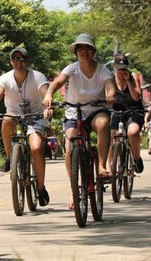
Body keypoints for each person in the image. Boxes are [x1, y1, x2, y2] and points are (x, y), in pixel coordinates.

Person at [43, 33, 116, 208]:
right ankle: (73, 189)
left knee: (104, 124)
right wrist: (48, 94)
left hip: (96, 110)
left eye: (88, 48)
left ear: (93, 51)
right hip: (74, 112)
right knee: (70, 148)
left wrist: (110, 95)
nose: (84, 51)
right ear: (76, 52)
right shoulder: (72, 68)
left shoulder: (102, 70)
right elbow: (57, 82)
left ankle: (102, 166)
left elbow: (110, 86)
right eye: (81, 48)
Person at [0, 46, 53, 206]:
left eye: (21, 58)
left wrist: (48, 105)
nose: (18, 62)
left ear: (27, 61)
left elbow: (45, 92)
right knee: (6, 121)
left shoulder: (37, 76)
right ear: (11, 62)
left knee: (36, 149)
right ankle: (10, 158)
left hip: (35, 115)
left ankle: (41, 188)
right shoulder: (5, 79)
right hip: (14, 114)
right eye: (15, 58)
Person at [110, 54, 145, 174]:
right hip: (117, 111)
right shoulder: (110, 78)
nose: (122, 71)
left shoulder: (133, 76)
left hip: (134, 111)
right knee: (110, 135)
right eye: (119, 69)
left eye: (124, 68)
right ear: (115, 67)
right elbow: (107, 97)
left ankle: (136, 158)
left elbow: (136, 97)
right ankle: (111, 166)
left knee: (132, 132)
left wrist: (128, 80)